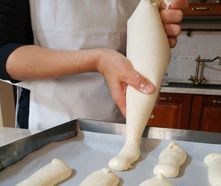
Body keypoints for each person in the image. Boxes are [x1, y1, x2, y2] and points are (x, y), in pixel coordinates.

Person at [0, 0, 188, 130]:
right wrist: (99, 60)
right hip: (48, 121)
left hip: (120, 122)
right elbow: (4, 53)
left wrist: (154, 26)